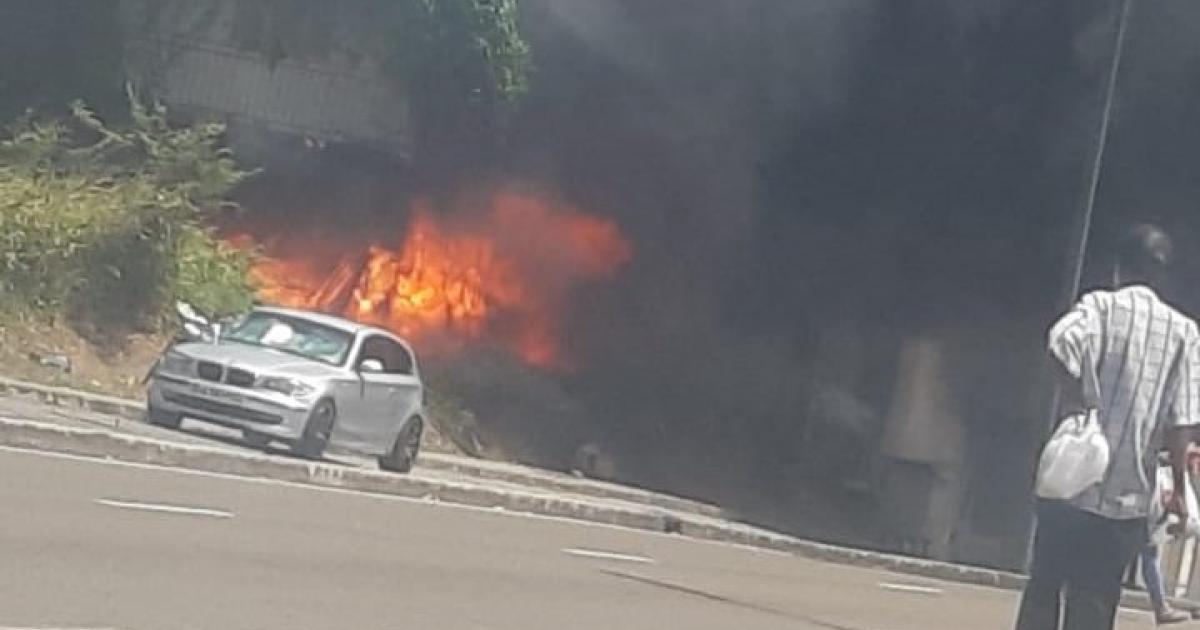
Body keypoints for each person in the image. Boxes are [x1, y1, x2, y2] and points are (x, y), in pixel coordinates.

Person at [1015, 224, 1200, 630]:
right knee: (1097, 601)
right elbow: (1183, 423)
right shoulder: (1185, 333)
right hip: (1127, 498)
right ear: (1162, 274)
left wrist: (1078, 394)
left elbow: (1060, 341)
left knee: (1045, 586)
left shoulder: (1099, 306)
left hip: (1071, 486)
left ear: (1120, 268)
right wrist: (1181, 494)